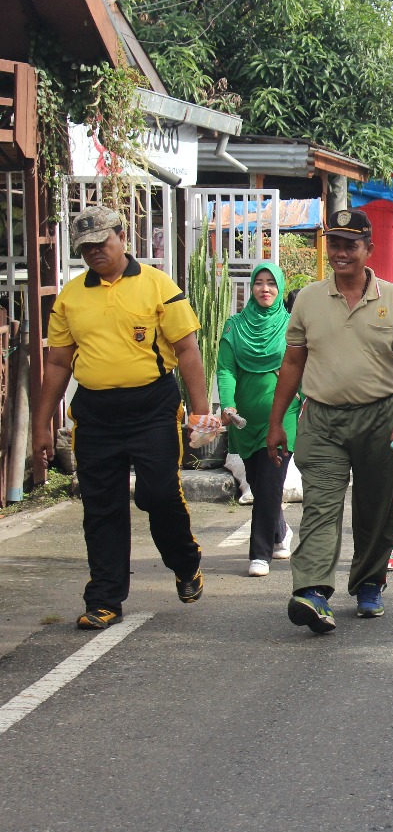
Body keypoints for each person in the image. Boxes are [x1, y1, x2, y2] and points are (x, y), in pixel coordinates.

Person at [31, 206, 213, 631]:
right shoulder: (71, 297)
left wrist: (201, 412)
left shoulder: (157, 285)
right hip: (96, 414)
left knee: (158, 494)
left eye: (101, 242)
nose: (95, 252)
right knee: (101, 507)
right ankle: (104, 598)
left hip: (153, 408)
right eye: (86, 248)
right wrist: (41, 425)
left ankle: (185, 561)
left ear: (122, 236)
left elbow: (187, 350)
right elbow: (57, 363)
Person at [267, 209, 393, 633]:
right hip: (322, 419)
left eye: (349, 245)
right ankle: (312, 591)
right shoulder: (308, 299)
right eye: (334, 244)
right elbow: (293, 362)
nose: (340, 252)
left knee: (375, 507)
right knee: (320, 505)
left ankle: (370, 581)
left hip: (381, 419)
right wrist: (276, 422)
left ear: (368, 249)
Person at [217, 262, 300, 578]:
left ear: (280, 288)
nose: (265, 289)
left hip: (282, 418)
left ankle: (259, 554)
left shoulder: (292, 326)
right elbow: (226, 369)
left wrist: (301, 395)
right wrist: (227, 404)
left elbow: (307, 363)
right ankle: (280, 532)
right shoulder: (235, 326)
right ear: (251, 287)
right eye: (259, 283)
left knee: (269, 481)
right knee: (260, 482)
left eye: (271, 283)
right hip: (244, 422)